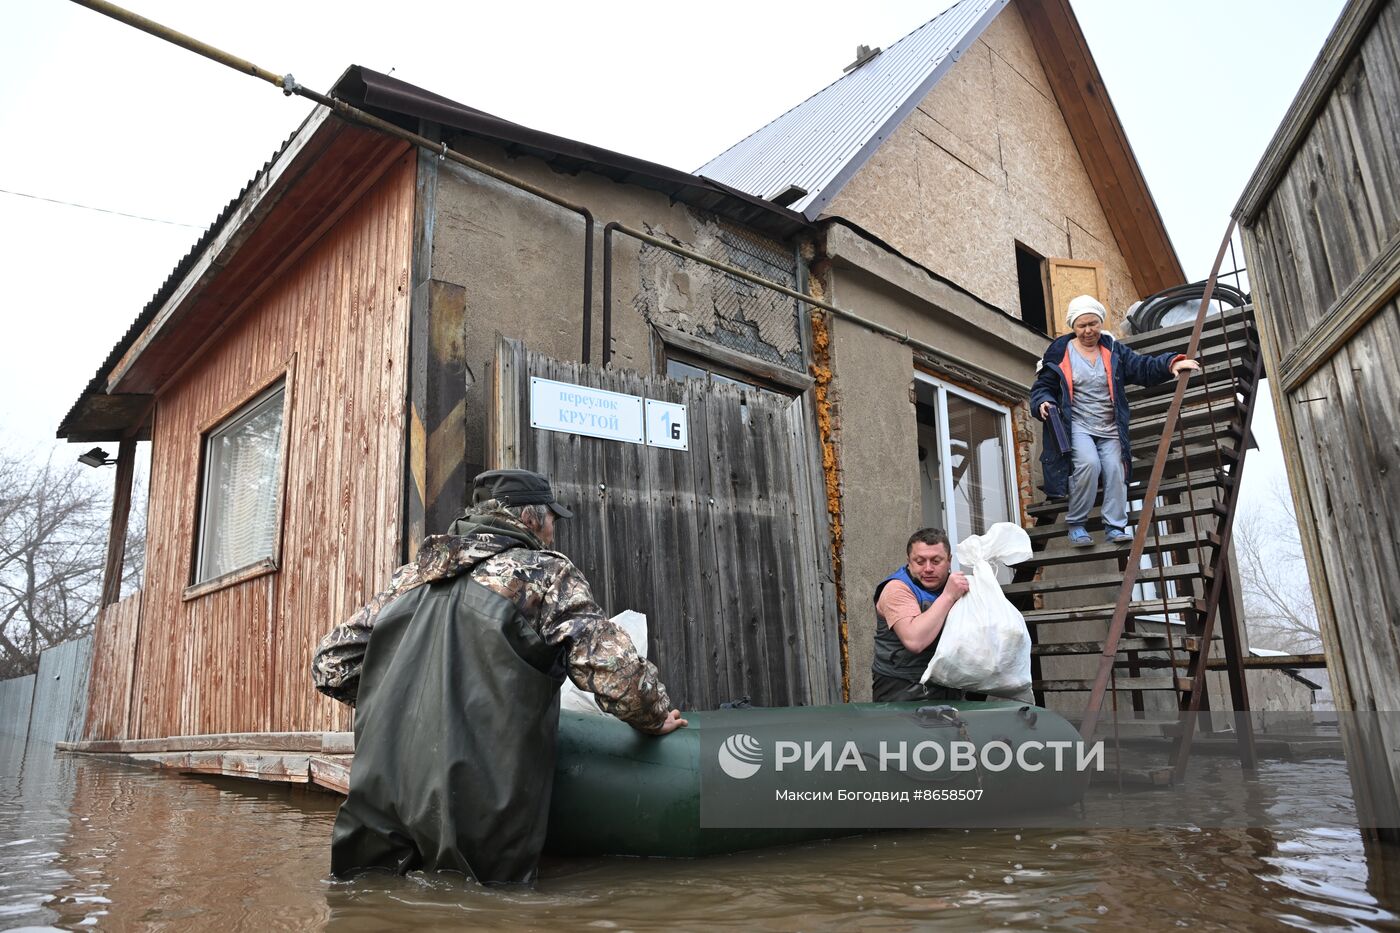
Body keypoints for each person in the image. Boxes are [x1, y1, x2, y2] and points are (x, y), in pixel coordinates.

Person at [311, 468, 686, 885]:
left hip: (381, 809)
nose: (553, 533)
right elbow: (616, 673)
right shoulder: (543, 574)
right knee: (486, 913)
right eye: (552, 521)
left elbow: (330, 665)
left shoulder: (411, 578)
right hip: (479, 813)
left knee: (371, 903)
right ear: (531, 519)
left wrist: (405, 697)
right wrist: (655, 717)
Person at [1030, 295, 1201, 546]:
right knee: (1089, 465)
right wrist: (1043, 402)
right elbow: (1042, 386)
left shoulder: (1113, 349)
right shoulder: (1059, 352)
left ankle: (1115, 526)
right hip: (1077, 424)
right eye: (1081, 325)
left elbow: (1141, 367)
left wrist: (1171, 363)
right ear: (1073, 327)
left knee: (1115, 469)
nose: (1088, 330)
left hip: (1110, 427)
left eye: (1093, 323)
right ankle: (1077, 524)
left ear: (1100, 322)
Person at [870, 527, 970, 702]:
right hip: (902, 689)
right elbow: (914, 641)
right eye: (920, 561)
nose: (928, 568)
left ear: (949, 561)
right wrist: (948, 596)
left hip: (948, 684)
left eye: (936, 561)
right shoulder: (896, 589)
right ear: (909, 562)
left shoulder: (958, 587)